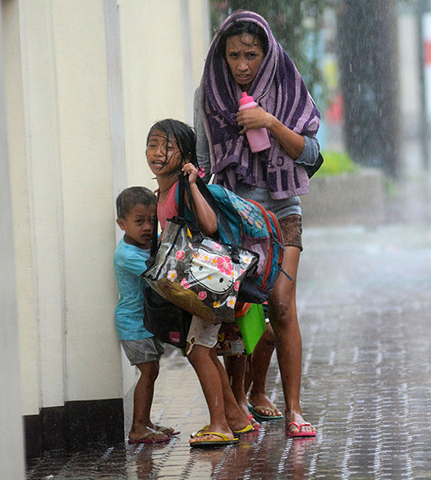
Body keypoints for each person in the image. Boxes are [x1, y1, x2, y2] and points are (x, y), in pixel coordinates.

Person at [195, 10, 321, 438]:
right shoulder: (210, 94)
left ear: (266, 53)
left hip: (283, 214)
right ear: (222, 54)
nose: (243, 64)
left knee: (282, 305)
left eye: (251, 54)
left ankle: (295, 411)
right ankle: (243, 399)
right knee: (241, 314)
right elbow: (205, 163)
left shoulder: (287, 85)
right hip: (235, 219)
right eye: (234, 55)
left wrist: (269, 122)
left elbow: (312, 156)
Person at [145, 118, 257, 447]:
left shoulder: (183, 187)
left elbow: (209, 225)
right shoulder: (160, 192)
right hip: (195, 288)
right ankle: (235, 418)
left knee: (198, 352)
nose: (159, 152)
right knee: (201, 350)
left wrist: (193, 184)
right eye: (153, 144)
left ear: (185, 155)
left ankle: (219, 424)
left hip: (208, 283)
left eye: (168, 147)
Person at [114, 186, 179, 444]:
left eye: (152, 220)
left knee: (152, 371)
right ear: (122, 224)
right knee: (149, 371)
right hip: (133, 323)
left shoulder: (144, 246)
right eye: (139, 221)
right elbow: (158, 272)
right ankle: (138, 427)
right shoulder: (126, 255)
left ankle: (146, 422)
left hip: (147, 322)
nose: (148, 228)